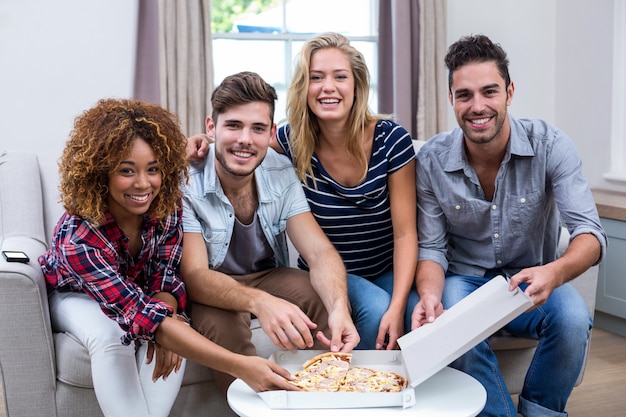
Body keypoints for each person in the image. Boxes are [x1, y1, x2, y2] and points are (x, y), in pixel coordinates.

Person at [39, 98, 300, 417]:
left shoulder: (166, 208)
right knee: (112, 337)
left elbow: (165, 277)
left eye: (153, 170)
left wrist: (164, 317)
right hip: (76, 296)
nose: (142, 184)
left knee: (171, 330)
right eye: (126, 171)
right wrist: (242, 366)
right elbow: (136, 312)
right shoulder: (79, 236)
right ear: (100, 173)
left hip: (140, 298)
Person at [412, 34, 607, 417]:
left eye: (489, 91)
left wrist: (554, 272)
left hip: (530, 281)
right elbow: (431, 247)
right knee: (449, 317)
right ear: (451, 99)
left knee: (571, 317)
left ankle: (540, 411)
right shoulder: (432, 160)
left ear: (509, 92)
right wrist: (429, 296)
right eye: (464, 95)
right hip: (463, 282)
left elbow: (590, 233)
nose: (477, 106)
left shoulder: (551, 145)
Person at [188, 32, 419, 351]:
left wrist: (381, 307)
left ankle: (368, 388)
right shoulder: (292, 141)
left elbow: (404, 235)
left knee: (417, 312)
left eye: (340, 77)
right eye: (317, 77)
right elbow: (242, 142)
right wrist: (201, 142)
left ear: (357, 85)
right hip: (323, 276)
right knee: (376, 308)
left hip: (382, 268)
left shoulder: (386, 140)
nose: (328, 87)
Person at [180, 71, 359, 396]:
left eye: (258, 128)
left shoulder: (279, 169)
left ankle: (328, 400)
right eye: (233, 125)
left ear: (270, 133)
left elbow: (319, 253)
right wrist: (261, 303)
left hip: (267, 274)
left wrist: (338, 309)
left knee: (322, 296)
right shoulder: (188, 181)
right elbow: (194, 275)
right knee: (225, 328)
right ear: (211, 128)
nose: (245, 139)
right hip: (212, 286)